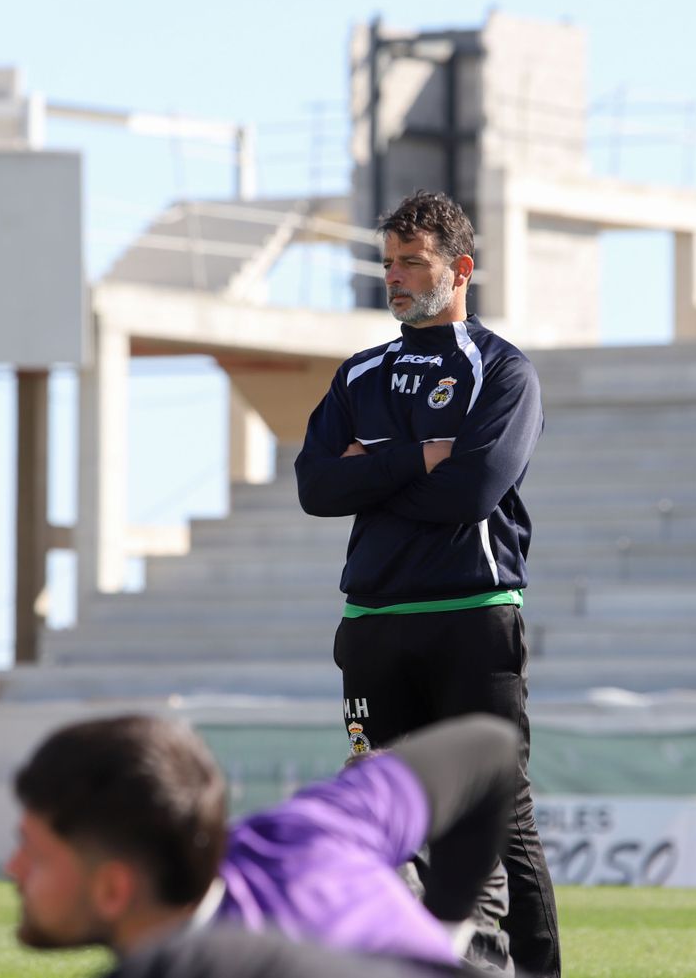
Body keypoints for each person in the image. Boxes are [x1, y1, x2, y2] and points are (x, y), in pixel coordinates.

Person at [294, 189, 560, 976]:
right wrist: (419, 456)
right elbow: (314, 488)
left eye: (415, 262)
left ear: (461, 269)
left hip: (471, 617)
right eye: (389, 263)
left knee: (497, 820)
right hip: (373, 622)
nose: (397, 277)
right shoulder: (359, 375)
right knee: (384, 815)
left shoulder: (501, 371)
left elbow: (470, 494)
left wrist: (368, 475)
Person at [6, 713, 518, 975]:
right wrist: (444, 927)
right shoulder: (315, 825)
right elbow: (490, 747)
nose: (12, 869)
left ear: (114, 888)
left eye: (34, 853)